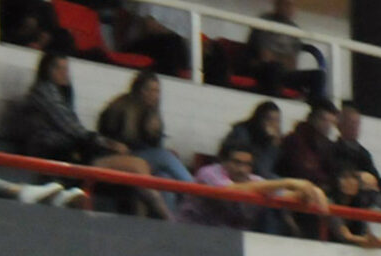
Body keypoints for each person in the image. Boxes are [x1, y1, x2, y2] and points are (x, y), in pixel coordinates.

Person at [10, 51, 165, 216]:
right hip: (62, 155)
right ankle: (167, 216)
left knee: (142, 173)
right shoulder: (46, 93)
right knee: (141, 165)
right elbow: (73, 129)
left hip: (75, 151)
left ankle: (158, 216)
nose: (64, 74)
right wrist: (106, 143)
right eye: (59, 69)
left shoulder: (61, 94)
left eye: (66, 69)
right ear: (47, 70)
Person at [177, 145, 325, 230]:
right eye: (237, 162)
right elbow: (229, 191)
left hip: (230, 241)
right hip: (191, 232)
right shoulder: (208, 173)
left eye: (247, 164)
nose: (242, 169)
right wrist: (288, 182)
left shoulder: (256, 181)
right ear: (223, 161)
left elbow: (288, 196)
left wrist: (311, 191)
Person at [95, 71, 194, 183]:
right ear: (140, 91)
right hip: (123, 156)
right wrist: (113, 144)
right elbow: (102, 135)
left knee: (164, 176)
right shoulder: (120, 107)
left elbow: (154, 144)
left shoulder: (152, 113)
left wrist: (154, 133)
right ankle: (195, 187)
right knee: (165, 156)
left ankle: (188, 191)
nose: (154, 95)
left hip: (143, 155)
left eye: (157, 91)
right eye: (150, 90)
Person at [122, 0, 194, 77]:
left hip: (171, 46)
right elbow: (150, 27)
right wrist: (174, 35)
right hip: (143, 44)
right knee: (172, 42)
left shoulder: (181, 2)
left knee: (213, 53)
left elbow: (186, 35)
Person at [248, 0, 322, 101]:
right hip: (262, 70)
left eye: (292, 5)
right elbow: (265, 57)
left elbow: (292, 64)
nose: (289, 8)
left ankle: (315, 108)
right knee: (274, 67)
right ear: (277, 5)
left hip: (285, 72)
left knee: (318, 75)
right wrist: (283, 58)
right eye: (286, 4)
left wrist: (277, 57)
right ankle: (274, 104)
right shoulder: (265, 21)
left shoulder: (295, 30)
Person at [220, 101, 284, 175]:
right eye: (270, 120)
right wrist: (271, 145)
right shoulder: (242, 133)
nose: (274, 124)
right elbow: (259, 169)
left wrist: (276, 145)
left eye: (277, 120)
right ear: (260, 119)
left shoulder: (275, 139)